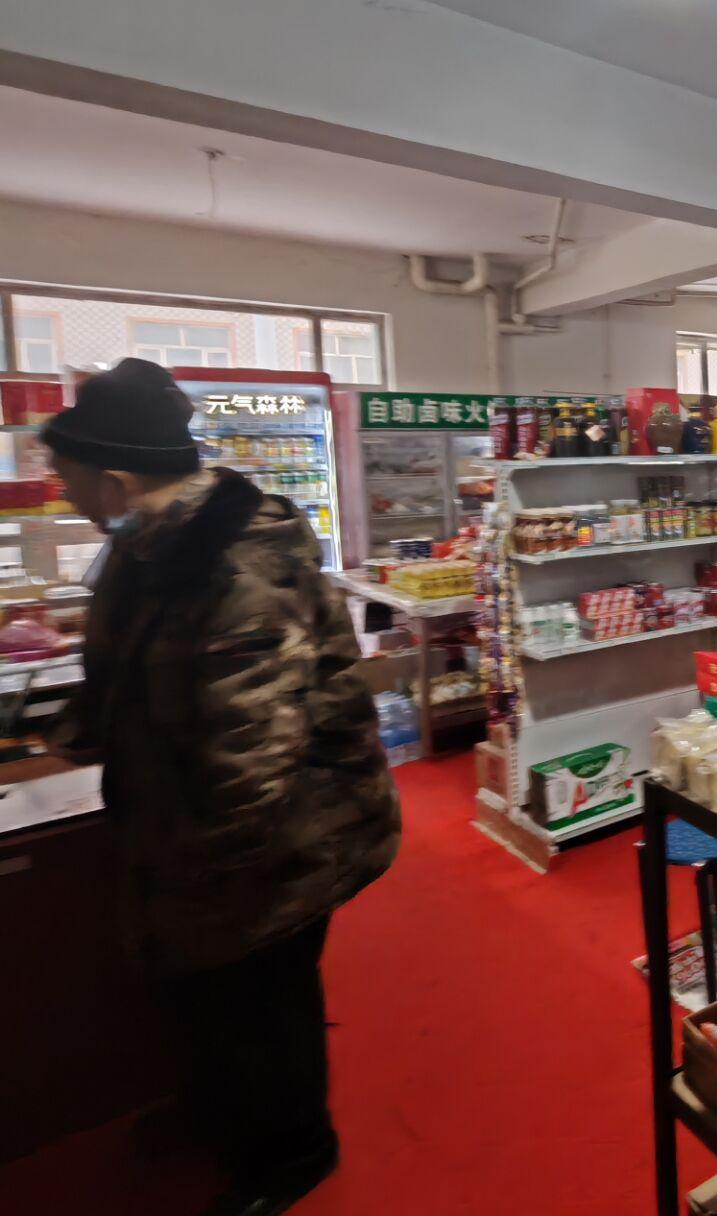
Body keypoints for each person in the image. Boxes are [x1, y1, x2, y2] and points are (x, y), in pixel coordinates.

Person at [42, 358, 401, 1216]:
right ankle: (218, 1109)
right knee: (205, 993)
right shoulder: (147, 546)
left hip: (287, 834)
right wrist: (70, 732)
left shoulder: (240, 567)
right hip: (193, 825)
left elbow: (253, 754)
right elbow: (120, 667)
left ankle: (295, 1152)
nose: (63, 494)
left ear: (117, 482)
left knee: (262, 996)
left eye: (68, 477)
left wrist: (207, 875)